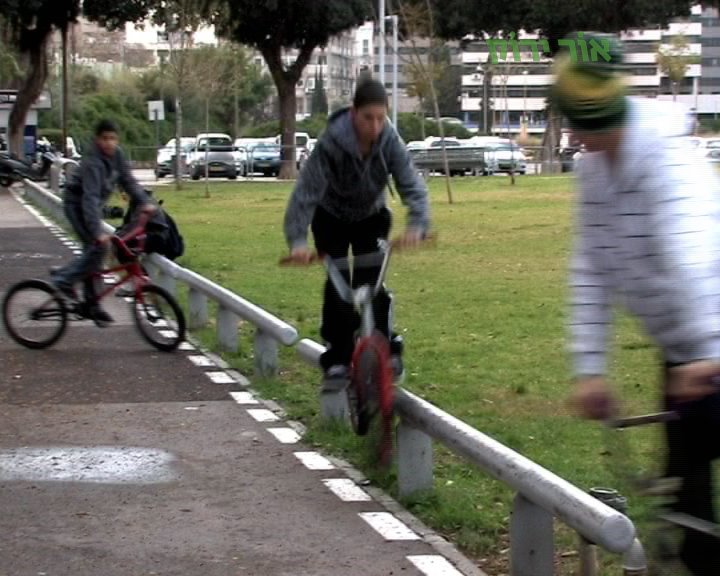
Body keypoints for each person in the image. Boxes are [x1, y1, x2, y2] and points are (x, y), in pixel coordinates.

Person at [552, 33, 720, 575]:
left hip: (710, 341)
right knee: (685, 493)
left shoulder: (663, 156)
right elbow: (592, 269)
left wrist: (706, 351)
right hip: (688, 350)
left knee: (690, 477)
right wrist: (590, 367)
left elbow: (690, 247)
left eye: (573, 120)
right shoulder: (597, 170)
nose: (571, 136)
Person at [283, 78, 431, 382]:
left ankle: (385, 349)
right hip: (330, 216)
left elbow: (412, 184)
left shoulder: (389, 139)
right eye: (368, 118)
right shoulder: (331, 142)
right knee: (339, 289)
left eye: (381, 118)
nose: (375, 127)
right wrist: (297, 240)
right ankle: (337, 356)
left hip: (371, 216)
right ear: (354, 113)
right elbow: (305, 192)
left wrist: (417, 224)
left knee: (372, 286)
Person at [51, 119, 155, 325]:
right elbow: (88, 198)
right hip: (76, 204)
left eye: (113, 138)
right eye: (105, 138)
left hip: (91, 206)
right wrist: (97, 231)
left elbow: (128, 181)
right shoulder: (93, 163)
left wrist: (145, 202)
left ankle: (91, 304)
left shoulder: (117, 156)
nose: (109, 143)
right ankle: (64, 280)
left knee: (95, 256)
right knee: (97, 247)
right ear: (97, 140)